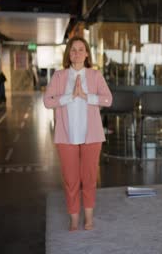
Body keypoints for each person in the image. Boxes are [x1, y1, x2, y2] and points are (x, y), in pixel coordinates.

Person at [43, 36, 112, 231]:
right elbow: (48, 102)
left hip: (92, 136)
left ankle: (88, 216)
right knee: (71, 179)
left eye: (81, 49)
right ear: (68, 54)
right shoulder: (59, 76)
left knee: (89, 178)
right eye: (73, 49)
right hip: (66, 137)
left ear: (87, 53)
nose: (77, 53)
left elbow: (108, 100)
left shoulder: (95, 76)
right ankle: (74, 217)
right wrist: (70, 96)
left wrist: (85, 96)